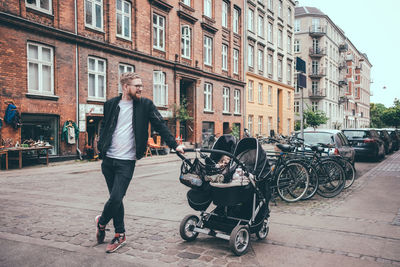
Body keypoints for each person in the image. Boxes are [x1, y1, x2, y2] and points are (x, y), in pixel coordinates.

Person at [95, 72, 185, 253]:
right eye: (136, 85)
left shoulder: (145, 105)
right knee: (117, 200)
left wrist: (175, 145)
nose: (140, 89)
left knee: (115, 197)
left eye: (141, 85)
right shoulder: (111, 104)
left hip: (126, 161)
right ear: (125, 87)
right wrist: (100, 146)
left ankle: (102, 221)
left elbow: (160, 124)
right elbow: (105, 126)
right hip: (109, 160)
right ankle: (120, 234)